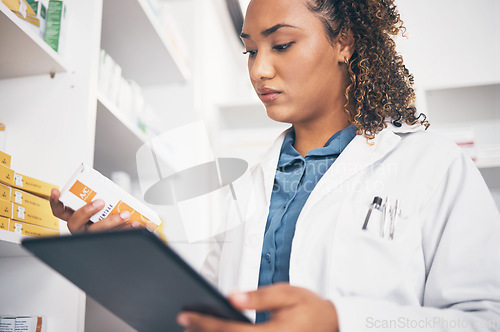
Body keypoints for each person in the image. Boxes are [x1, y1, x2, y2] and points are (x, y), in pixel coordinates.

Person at [51, 0, 500, 331]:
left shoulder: (434, 167)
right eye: (250, 51)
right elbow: (201, 314)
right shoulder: (248, 186)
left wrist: (341, 321)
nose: (259, 70)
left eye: (281, 45)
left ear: (344, 41)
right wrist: (124, 261)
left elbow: (485, 318)